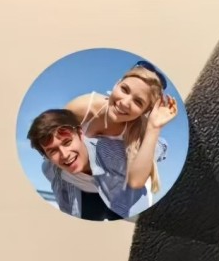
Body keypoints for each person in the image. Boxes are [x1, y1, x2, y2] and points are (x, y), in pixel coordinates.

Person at [65, 60, 177, 199]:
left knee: (153, 148)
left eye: (138, 102)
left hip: (108, 187)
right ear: (116, 84)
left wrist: (154, 127)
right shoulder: (83, 107)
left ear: (144, 111)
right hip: (78, 181)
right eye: (124, 89)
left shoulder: (137, 132)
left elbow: (135, 182)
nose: (124, 103)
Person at [27, 109, 121, 220]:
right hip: (88, 199)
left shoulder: (114, 151)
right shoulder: (50, 170)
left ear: (80, 134)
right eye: (53, 151)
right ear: (47, 157)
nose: (65, 155)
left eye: (67, 142)